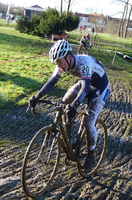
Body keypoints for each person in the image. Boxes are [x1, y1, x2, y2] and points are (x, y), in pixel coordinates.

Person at [28, 39, 110, 172]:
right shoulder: (62, 63)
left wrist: (75, 105)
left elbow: (85, 87)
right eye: (57, 63)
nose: (58, 66)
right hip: (85, 83)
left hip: (100, 88)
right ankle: (69, 138)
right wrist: (37, 97)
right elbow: (51, 82)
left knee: (88, 121)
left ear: (69, 57)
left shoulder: (84, 62)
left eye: (59, 62)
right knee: (64, 102)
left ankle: (91, 155)